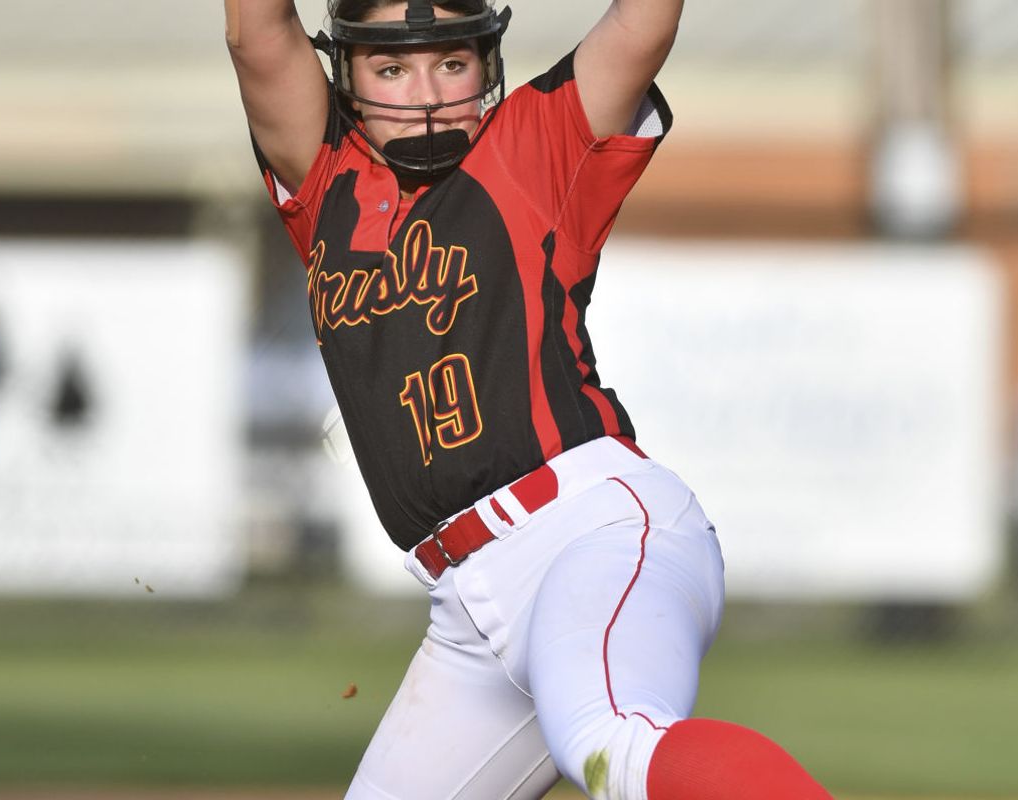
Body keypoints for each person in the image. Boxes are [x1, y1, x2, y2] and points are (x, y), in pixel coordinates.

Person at [226, 1, 834, 797]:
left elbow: (645, 24)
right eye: (391, 68)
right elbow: (254, 31)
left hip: (588, 532)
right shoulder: (324, 182)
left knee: (613, 741)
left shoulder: (532, 147)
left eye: (452, 63)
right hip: (468, 608)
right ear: (346, 77)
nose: (426, 93)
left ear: (487, 68)